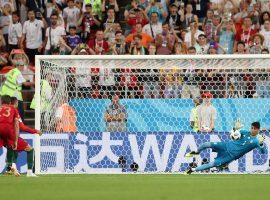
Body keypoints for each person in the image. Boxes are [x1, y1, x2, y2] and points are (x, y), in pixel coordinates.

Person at [185, 122, 266, 174]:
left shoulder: (257, 141)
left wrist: (261, 144)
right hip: (226, 145)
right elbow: (232, 133)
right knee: (207, 144)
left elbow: (263, 152)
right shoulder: (245, 132)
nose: (252, 129)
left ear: (258, 130)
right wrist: (235, 128)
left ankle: (192, 170)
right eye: (251, 127)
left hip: (230, 156)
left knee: (211, 164)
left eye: (254, 128)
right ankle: (197, 151)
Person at [5, 97, 41, 177]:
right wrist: (36, 131)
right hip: (12, 135)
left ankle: (10, 167)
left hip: (3, 135)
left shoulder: (3, 110)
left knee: (12, 149)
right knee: (30, 149)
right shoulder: (15, 111)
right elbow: (23, 127)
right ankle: (29, 172)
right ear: (15, 103)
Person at [0, 95, 20, 176]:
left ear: (1, 101)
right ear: (10, 102)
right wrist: (15, 140)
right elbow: (16, 125)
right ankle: (11, 166)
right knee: (11, 146)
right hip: (8, 128)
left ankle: (9, 167)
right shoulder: (14, 109)